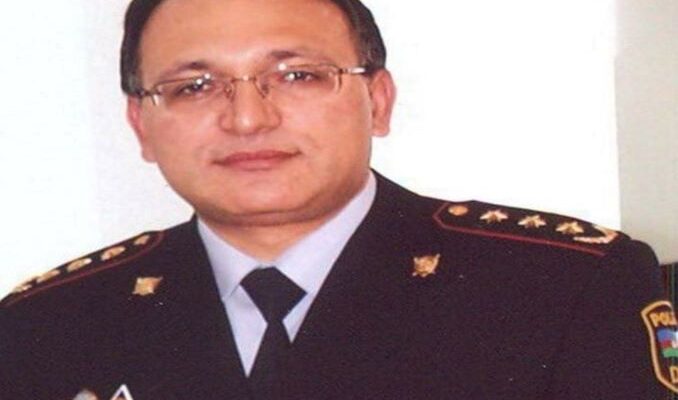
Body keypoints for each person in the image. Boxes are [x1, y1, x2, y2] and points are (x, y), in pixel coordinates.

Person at [1, 0, 675, 398]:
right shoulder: (47, 327)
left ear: (377, 100)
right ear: (141, 125)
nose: (248, 118)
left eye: (297, 75)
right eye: (194, 87)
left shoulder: (562, 290)